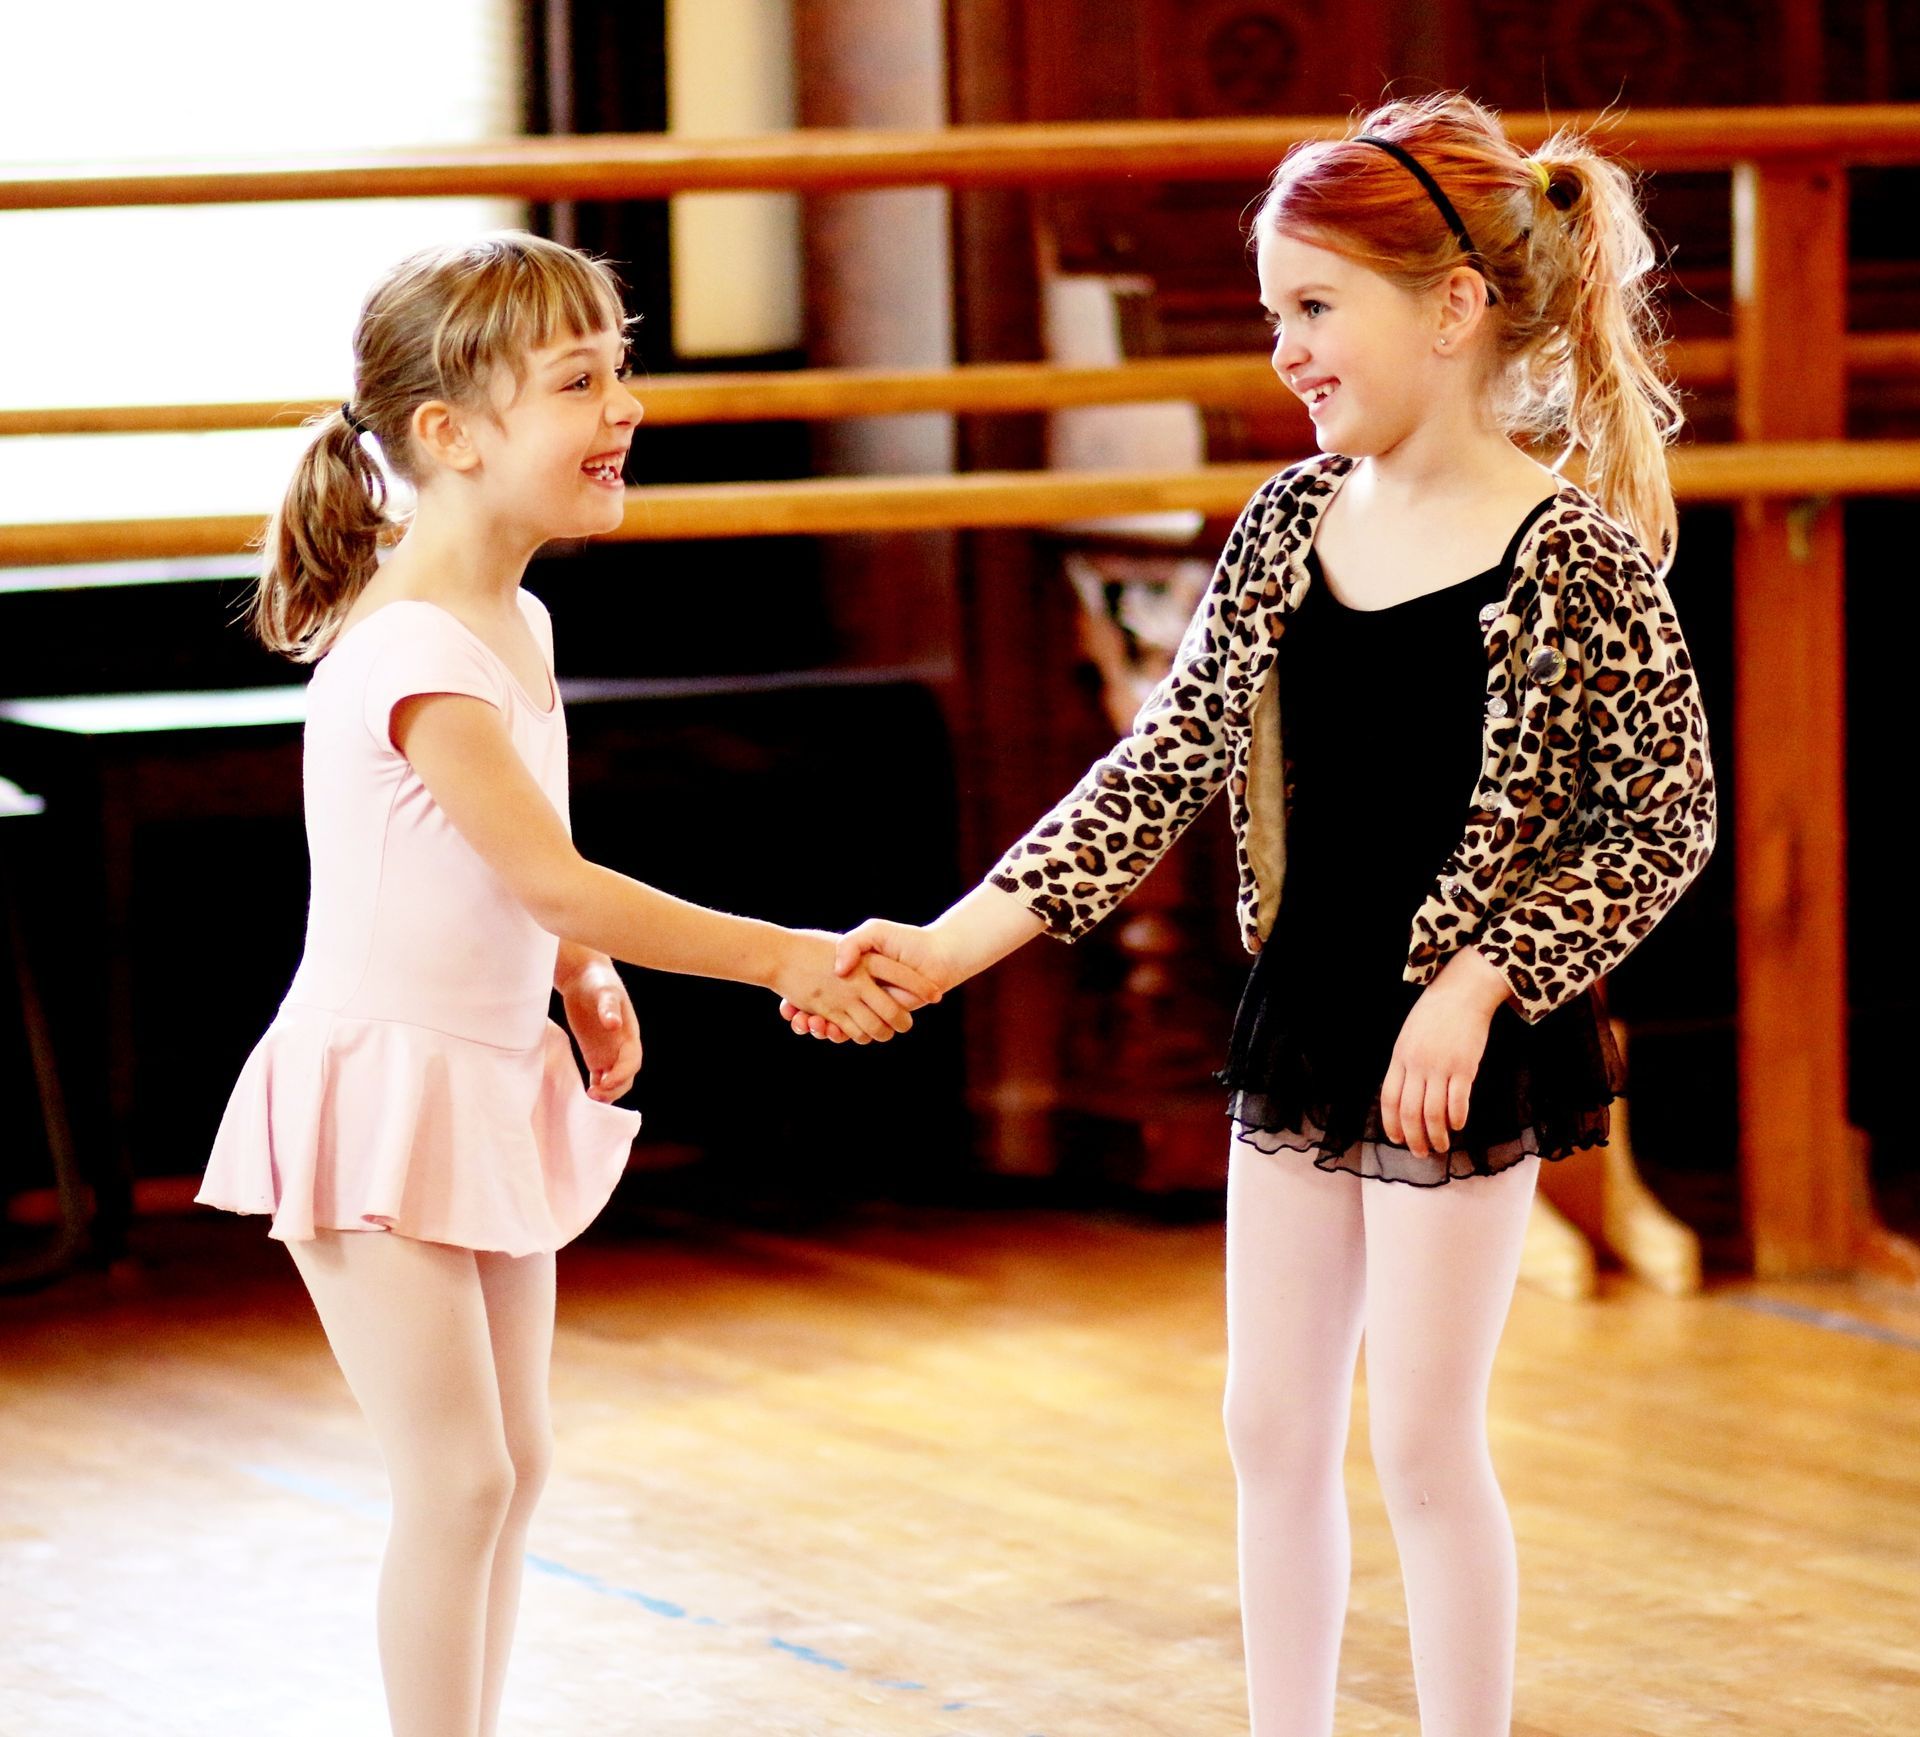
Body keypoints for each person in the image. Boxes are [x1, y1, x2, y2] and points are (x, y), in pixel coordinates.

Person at [786, 94, 1716, 1736]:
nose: (1281, 347)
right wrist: (941, 944)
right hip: (1305, 1021)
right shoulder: (1289, 525)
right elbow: (1154, 771)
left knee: (1426, 1447)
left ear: (1450, 308)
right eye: (1271, 308)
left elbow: (1666, 819)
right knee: (1268, 1428)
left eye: (1314, 307)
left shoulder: (1576, 562)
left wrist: (1489, 979)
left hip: (1453, 1051)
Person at [195, 232, 938, 1737]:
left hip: (474, 1074)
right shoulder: (414, 648)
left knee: (513, 1465)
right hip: (372, 1090)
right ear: (449, 438)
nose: (624, 407)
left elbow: (522, 867)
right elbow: (550, 876)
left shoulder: (516, 621)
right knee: (457, 1475)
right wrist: (782, 952)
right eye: (578, 381)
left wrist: (582, 969)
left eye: (622, 369)